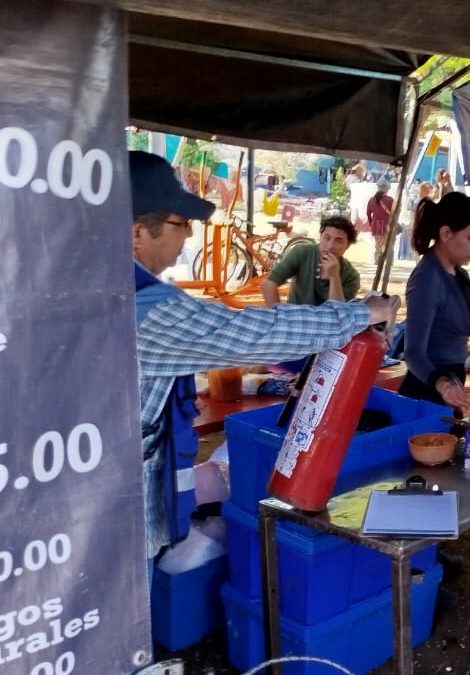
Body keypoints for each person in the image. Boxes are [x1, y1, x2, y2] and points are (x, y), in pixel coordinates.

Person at [128, 151, 394, 569]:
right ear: (137, 231)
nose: (187, 237)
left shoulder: (91, 286)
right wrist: (364, 313)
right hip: (120, 515)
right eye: (182, 225)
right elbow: (254, 334)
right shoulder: (143, 306)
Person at [399, 192, 470, 415]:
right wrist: (443, 385)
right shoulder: (426, 279)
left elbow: (453, 322)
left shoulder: (459, 274)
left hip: (453, 380)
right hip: (426, 389)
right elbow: (413, 353)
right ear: (446, 233)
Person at [260, 216, 360, 307]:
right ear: (320, 237)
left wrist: (334, 278)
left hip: (327, 324)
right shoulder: (302, 252)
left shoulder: (351, 276)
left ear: (347, 245)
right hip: (296, 318)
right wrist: (280, 317)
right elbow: (269, 284)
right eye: (327, 238)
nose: (330, 246)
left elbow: (339, 311)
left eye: (338, 241)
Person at [366, 179, 395, 264]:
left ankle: (377, 260)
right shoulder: (390, 200)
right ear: (387, 189)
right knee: (389, 244)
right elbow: (394, 213)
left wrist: (371, 223)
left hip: (376, 225)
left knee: (378, 244)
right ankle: (389, 260)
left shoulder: (371, 200)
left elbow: (368, 213)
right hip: (388, 225)